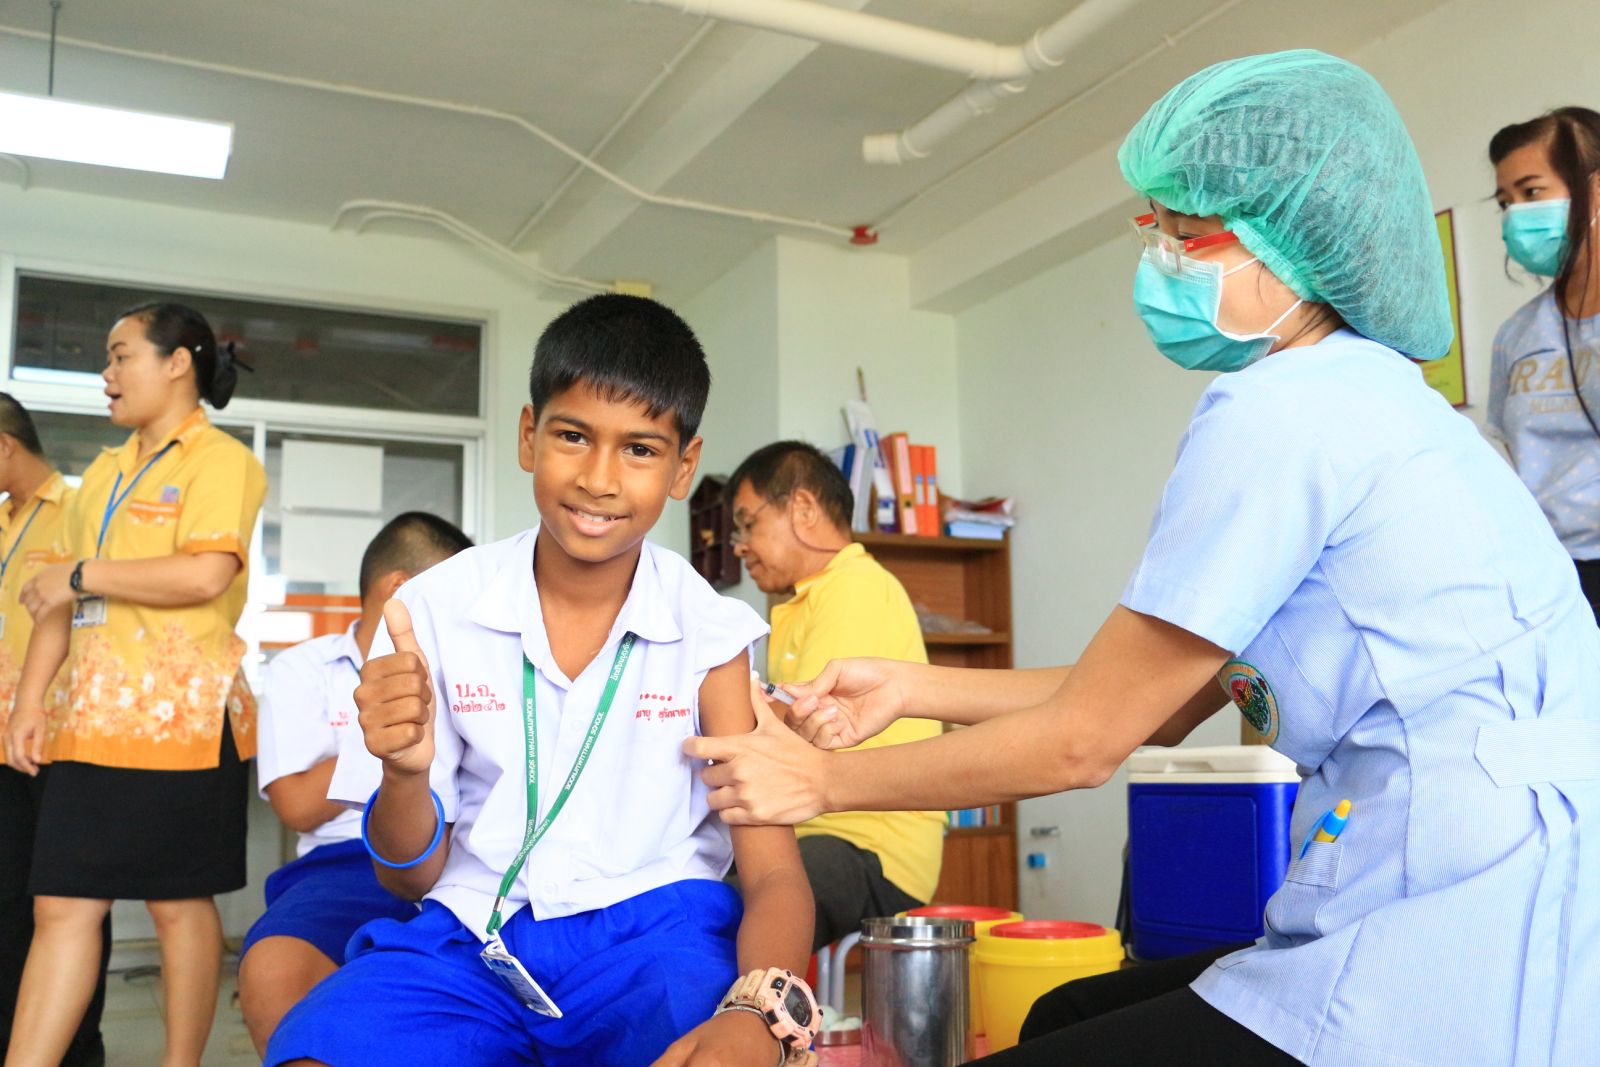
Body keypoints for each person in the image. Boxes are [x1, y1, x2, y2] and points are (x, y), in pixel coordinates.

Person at [686, 50, 1600, 1066]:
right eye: (1153, 228)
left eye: (1184, 232)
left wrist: (820, 779)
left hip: (1457, 909)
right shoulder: (1384, 402)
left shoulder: (1282, 409)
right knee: (1063, 1013)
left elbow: (1084, 740)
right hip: (1485, 873)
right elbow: (1147, 701)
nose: (1158, 256)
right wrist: (908, 685)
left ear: (1287, 241)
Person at [264, 294, 816, 1067]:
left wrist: (760, 1010)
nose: (599, 478)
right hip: (472, 935)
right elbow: (405, 874)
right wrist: (404, 773)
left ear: (683, 467)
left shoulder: (710, 634)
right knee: (316, 1050)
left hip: (653, 937)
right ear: (529, 435)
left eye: (640, 449)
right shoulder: (433, 608)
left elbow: (775, 872)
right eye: (572, 435)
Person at [4, 303, 267, 1067]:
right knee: (60, 904)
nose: (107, 374)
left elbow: (205, 573)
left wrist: (81, 573)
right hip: (86, 721)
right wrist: (29, 702)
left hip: (183, 720)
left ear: (177, 362)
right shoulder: (101, 476)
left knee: (176, 903)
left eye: (121, 356)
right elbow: (61, 599)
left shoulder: (220, 461)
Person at [238, 511, 473, 1054]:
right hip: (348, 861)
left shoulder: (472, 668)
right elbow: (297, 805)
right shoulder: (304, 668)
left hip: (467, 857)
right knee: (274, 971)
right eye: (454, 587)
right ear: (401, 588)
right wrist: (385, 736)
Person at [724, 441, 943, 949]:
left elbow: (804, 720)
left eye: (747, 524)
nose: (739, 546)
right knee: (681, 891)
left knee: (722, 918)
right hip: (810, 828)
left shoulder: (854, 586)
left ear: (803, 508)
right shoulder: (800, 601)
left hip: (870, 846)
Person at [0, 394, 108, 1067]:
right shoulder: (2, 521)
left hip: (57, 737)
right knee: (8, 905)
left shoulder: (77, 509)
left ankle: (74, 1050)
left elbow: (83, 611)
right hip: (3, 739)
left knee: (63, 904)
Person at [1487, 108, 1600, 619]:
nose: (1516, 215)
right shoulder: (1516, 335)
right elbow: (1511, 457)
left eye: (1532, 192)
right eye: (1505, 202)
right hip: (1553, 574)